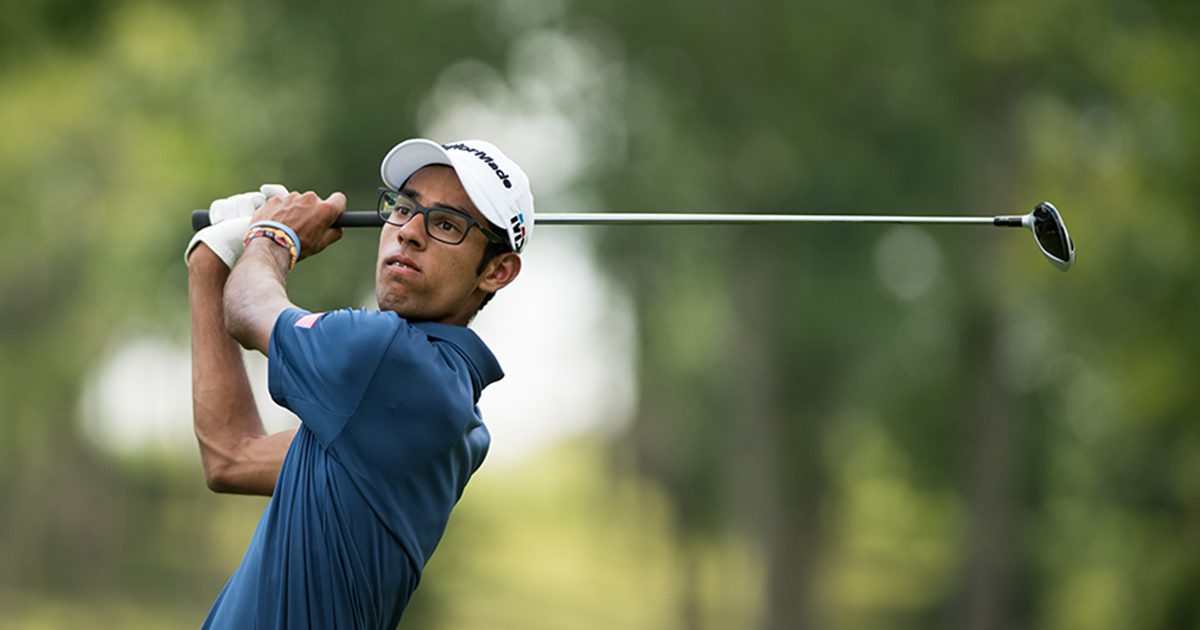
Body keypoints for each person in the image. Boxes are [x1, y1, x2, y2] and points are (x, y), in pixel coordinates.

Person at [185, 138, 534, 628]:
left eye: (448, 224)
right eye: (404, 208)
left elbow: (249, 312)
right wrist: (210, 264)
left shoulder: (390, 361)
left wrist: (272, 237)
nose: (409, 233)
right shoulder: (424, 402)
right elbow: (232, 456)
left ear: (497, 270)